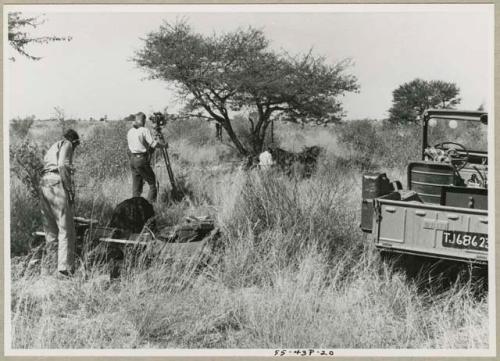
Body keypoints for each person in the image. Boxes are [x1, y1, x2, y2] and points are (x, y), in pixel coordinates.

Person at [39, 129, 80, 276]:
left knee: (50, 229)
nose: (75, 149)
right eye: (76, 146)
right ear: (74, 141)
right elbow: (62, 165)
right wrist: (69, 189)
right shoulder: (68, 144)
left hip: (44, 183)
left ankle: (50, 266)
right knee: (66, 228)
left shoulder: (53, 146)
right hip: (57, 183)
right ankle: (65, 269)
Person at [127, 112, 163, 202]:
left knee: (136, 188)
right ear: (143, 120)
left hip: (132, 160)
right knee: (152, 184)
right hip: (141, 160)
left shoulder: (130, 131)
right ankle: (149, 207)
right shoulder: (144, 130)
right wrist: (163, 145)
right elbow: (153, 144)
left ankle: (135, 207)